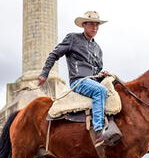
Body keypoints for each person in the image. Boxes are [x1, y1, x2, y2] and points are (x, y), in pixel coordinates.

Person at [38, 10, 109, 146]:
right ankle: (98, 131)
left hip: (93, 81)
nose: (94, 28)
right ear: (83, 25)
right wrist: (44, 73)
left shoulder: (98, 49)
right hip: (79, 81)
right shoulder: (73, 39)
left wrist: (102, 75)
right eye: (91, 24)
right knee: (100, 91)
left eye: (97, 25)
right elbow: (54, 55)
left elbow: (97, 70)